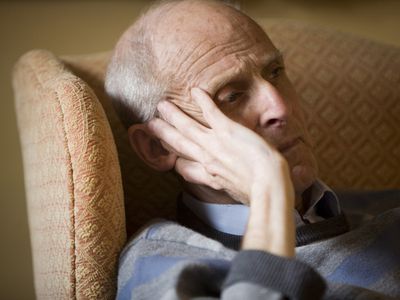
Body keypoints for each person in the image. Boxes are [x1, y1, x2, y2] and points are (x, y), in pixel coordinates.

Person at [105, 0, 400, 299]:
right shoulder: (159, 263)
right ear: (158, 146)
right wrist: (268, 192)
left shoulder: (386, 209)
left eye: (274, 72)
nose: (280, 108)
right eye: (232, 96)